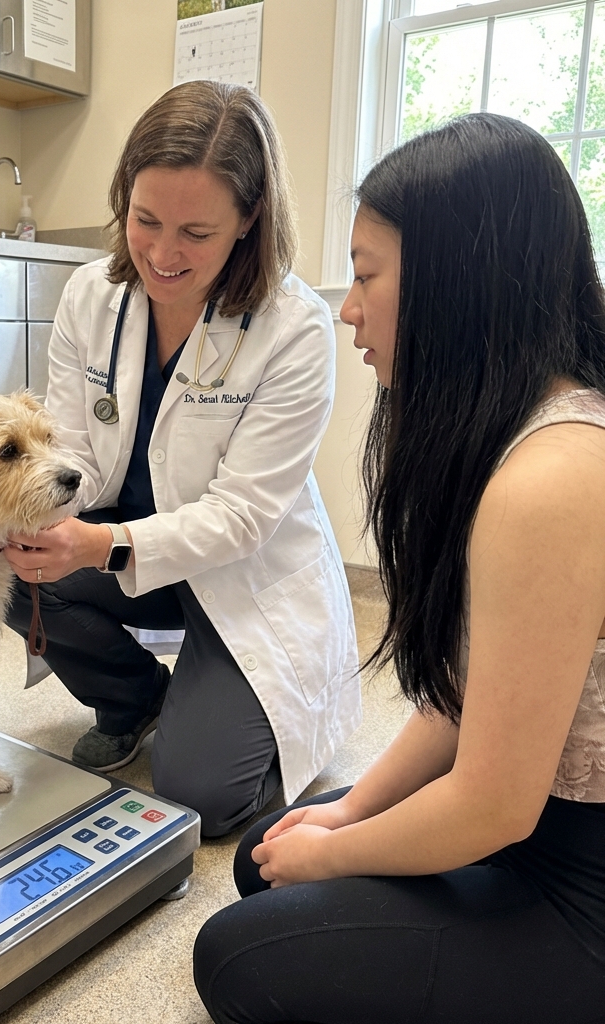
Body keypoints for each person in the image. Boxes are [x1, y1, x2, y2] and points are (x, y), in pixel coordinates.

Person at [194, 112, 605, 1022]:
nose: (349, 309)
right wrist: (346, 818)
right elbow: (462, 698)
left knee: (238, 958)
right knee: (271, 852)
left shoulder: (554, 480)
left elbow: (496, 805)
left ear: (460, 287)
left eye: (369, 277)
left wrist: (337, 853)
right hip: (531, 819)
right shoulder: (510, 436)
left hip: (579, 879)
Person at [2, 80, 360, 839]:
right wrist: (21, 516)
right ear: (122, 200)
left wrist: (99, 544)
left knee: (203, 795)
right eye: (145, 220)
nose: (163, 254)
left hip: (243, 576)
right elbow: (74, 459)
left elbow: (242, 517)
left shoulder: (294, 328)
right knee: (1, 562)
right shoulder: (89, 295)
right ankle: (137, 702)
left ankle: (223, 693)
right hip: (134, 557)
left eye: (196, 233)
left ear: (249, 219)